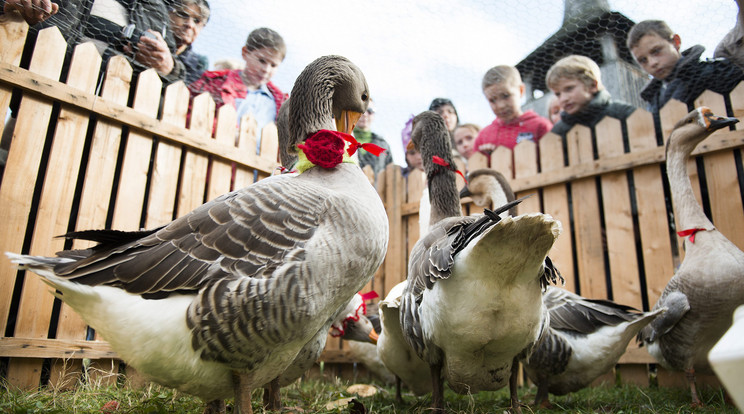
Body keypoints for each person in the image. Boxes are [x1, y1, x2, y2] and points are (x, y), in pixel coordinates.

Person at [627, 19, 744, 114]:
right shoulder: (653, 102)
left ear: (676, 42)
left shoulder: (717, 72)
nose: (652, 63)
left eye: (656, 51)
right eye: (643, 60)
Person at [189, 27, 287, 131]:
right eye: (262, 61)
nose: (266, 69)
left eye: (273, 65)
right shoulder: (216, 83)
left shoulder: (278, 103)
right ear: (245, 53)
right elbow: (191, 112)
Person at [80, 0, 187, 84]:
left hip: (119, 101)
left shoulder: (157, 9)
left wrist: (169, 68)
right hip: (74, 78)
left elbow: (177, 78)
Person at [546, 55, 635, 136]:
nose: (563, 99)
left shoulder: (621, 114)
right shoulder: (558, 132)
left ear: (593, 85)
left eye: (569, 89)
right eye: (558, 94)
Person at [474, 65, 552, 154]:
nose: (501, 105)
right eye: (492, 100)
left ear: (521, 90)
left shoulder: (540, 126)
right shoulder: (483, 137)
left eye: (506, 96)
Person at [169, 0, 210, 85]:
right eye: (183, 15)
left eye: (197, 21)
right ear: (168, 14)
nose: (190, 25)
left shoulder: (199, 64)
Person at [352, 99, 393, 176]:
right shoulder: (343, 141)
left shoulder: (383, 145)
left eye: (370, 111)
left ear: (374, 114)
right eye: (360, 110)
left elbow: (390, 176)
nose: (365, 114)